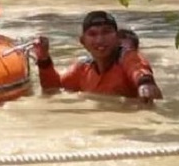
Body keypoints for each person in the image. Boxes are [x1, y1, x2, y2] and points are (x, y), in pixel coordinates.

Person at [33, 11, 162, 103]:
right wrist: (43, 58)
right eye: (93, 34)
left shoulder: (126, 57)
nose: (100, 40)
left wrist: (145, 83)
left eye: (106, 32)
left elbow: (138, 68)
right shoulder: (82, 68)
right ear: (83, 41)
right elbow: (52, 88)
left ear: (117, 38)